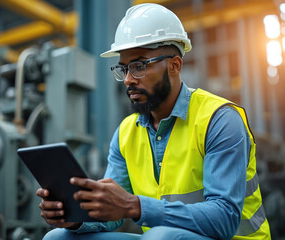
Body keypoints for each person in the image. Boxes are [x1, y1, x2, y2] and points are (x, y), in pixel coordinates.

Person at [37, 3, 271, 239]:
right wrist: (76, 218)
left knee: (160, 236)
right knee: (57, 237)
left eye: (138, 66)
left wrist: (136, 206)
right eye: (123, 68)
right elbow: (113, 214)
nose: (128, 79)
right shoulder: (126, 132)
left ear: (174, 65)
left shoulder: (219, 119)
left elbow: (224, 220)